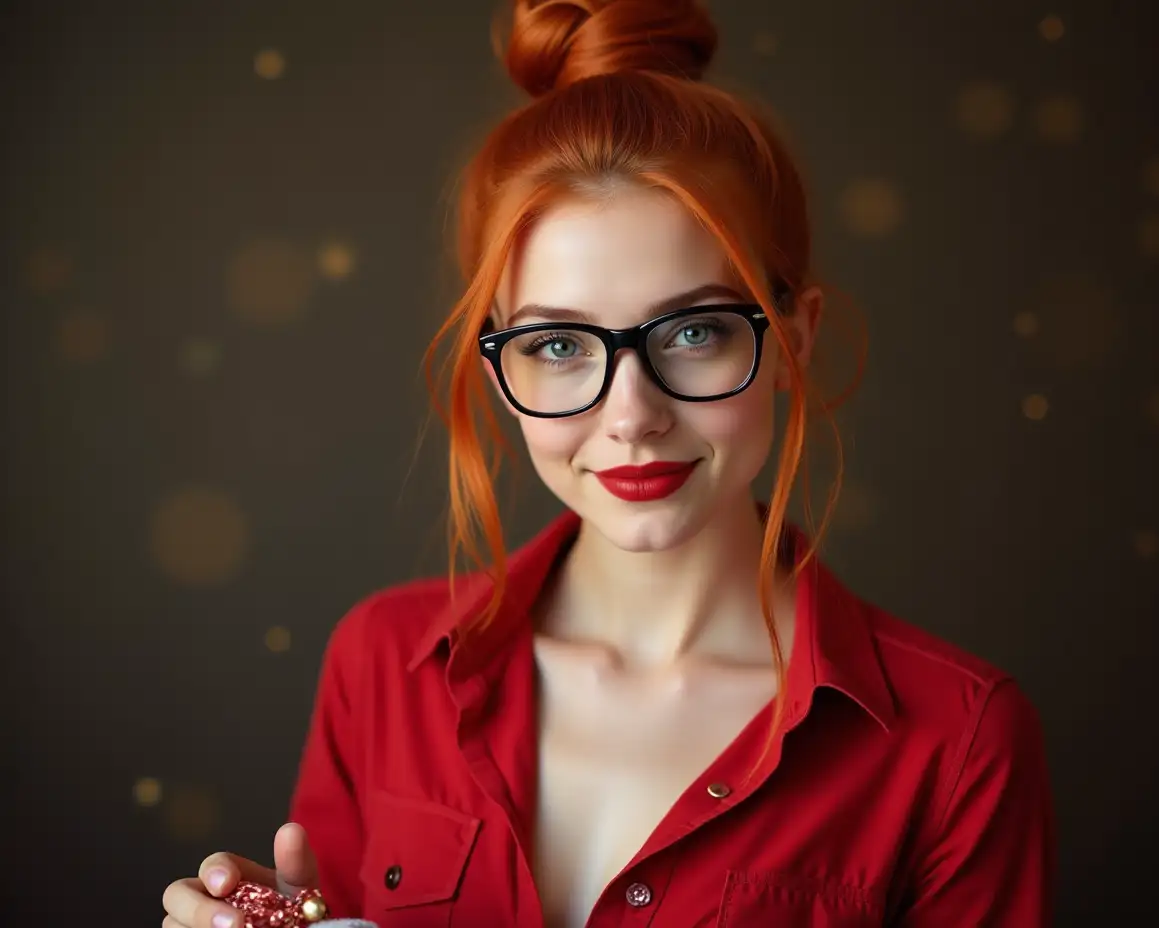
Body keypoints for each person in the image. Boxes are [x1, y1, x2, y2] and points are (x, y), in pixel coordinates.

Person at [161, 1, 1055, 925]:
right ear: (496, 366)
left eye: (697, 330)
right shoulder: (380, 664)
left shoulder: (961, 741)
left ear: (795, 336)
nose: (632, 416)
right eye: (557, 346)